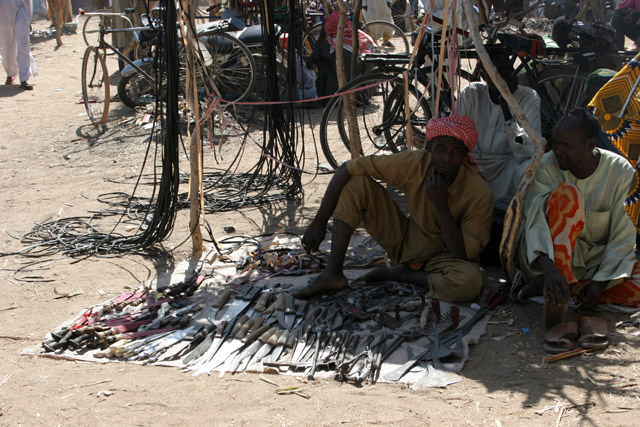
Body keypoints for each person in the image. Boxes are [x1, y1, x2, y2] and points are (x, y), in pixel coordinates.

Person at [294, 115, 494, 302]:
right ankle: (333, 273)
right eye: (440, 149)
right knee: (357, 184)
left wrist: (441, 206)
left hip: (444, 257)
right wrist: (319, 222)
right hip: (406, 243)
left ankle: (404, 274)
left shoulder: (479, 193)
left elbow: (461, 253)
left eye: (456, 152)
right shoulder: (416, 162)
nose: (447, 158)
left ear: (465, 154)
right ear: (429, 147)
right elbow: (349, 167)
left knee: (469, 283)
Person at [514, 109, 640, 328]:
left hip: (593, 260)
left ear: (590, 144)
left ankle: (561, 289)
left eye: (567, 146)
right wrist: (551, 270)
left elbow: (623, 236)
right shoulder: (546, 165)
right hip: (545, 259)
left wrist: (600, 283)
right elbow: (533, 222)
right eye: (556, 143)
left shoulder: (621, 172)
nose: (558, 151)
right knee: (567, 195)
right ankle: (557, 288)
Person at [456, 47, 541, 210]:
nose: (505, 76)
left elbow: (530, 150)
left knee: (535, 169)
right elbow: (456, 135)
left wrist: (506, 104)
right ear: (484, 76)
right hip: (472, 165)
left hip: (507, 165)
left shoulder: (528, 97)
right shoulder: (472, 93)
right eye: (498, 72)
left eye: (508, 70)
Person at [0, 0, 36, 90]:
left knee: (23, 45)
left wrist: (28, 21)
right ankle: (10, 73)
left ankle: (24, 79)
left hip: (22, 9)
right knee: (7, 48)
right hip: (4, 11)